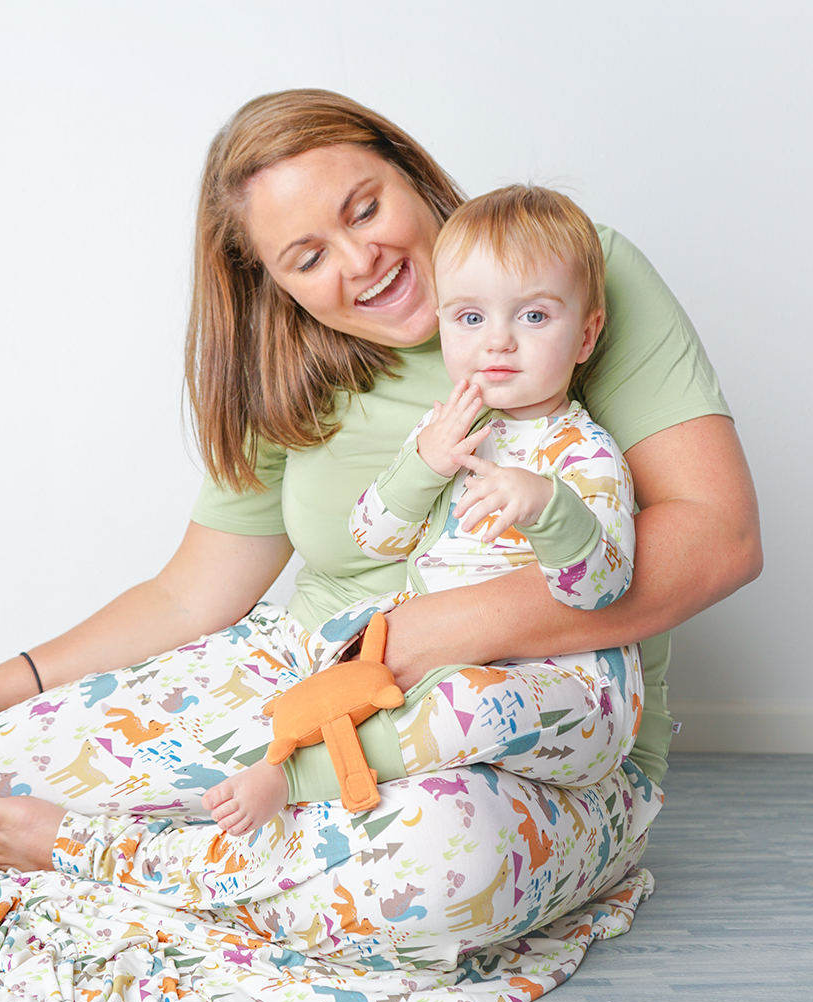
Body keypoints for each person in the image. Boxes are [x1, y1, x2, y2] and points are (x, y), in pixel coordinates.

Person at [0, 89, 759, 1002]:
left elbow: (719, 538)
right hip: (315, 671)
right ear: (274, 282)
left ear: (410, 168)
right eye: (307, 257)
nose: (362, 262)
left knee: (439, 869)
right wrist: (4, 682)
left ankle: (116, 855)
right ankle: (275, 855)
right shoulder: (289, 369)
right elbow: (190, 593)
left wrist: (434, 631)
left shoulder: (560, 267)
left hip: (526, 714)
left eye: (365, 208)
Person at [203, 185, 643, 837]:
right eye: (470, 319)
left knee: (475, 704)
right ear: (443, 324)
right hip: (450, 669)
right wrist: (424, 465)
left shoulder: (584, 454)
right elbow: (373, 538)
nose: (499, 343)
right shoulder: (451, 431)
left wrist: (547, 506)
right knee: (364, 664)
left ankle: (296, 780)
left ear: (586, 335)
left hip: (571, 694)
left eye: (533, 318)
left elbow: (605, 585)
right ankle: (336, 771)